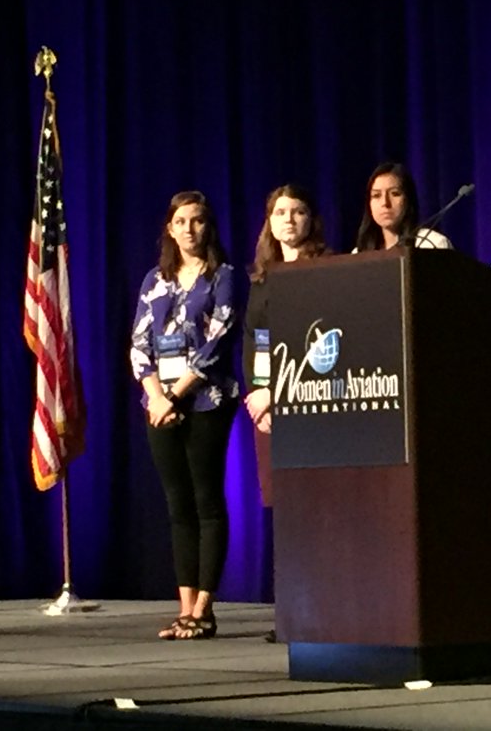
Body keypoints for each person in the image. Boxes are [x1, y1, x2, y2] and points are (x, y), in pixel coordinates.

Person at [130, 191, 240, 641]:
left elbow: (218, 342)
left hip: (206, 401)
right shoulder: (154, 280)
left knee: (206, 502)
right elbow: (139, 345)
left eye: (197, 221)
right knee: (178, 508)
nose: (189, 230)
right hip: (160, 406)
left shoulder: (224, 277)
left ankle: (204, 609)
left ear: (207, 227)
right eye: (181, 222)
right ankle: (183, 608)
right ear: (170, 229)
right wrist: (156, 396)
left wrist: (176, 395)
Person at [242, 184, 330, 644]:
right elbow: (253, 342)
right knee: (285, 513)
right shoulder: (262, 277)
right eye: (280, 212)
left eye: (297, 211)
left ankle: (322, 610)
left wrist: (278, 392)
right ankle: (292, 613)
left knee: (316, 511)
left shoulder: (325, 270)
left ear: (310, 220)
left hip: (309, 403)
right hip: (267, 410)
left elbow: (318, 343)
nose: (288, 220)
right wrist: (259, 397)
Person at [352, 162, 454, 251]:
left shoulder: (431, 244)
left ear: (408, 199)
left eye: (395, 193)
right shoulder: (359, 253)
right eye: (376, 195)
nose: (385, 203)